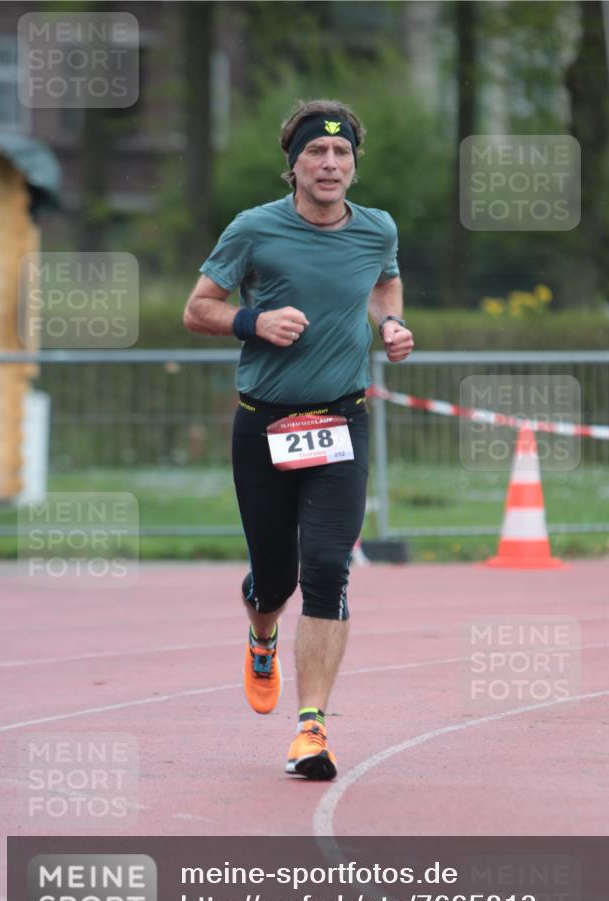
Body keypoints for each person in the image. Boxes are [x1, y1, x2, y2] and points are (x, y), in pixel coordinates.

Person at [183, 99, 414, 780]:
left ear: (354, 167)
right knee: (274, 580)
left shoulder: (376, 229)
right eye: (316, 152)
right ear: (293, 165)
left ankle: (311, 728)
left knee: (326, 567)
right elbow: (196, 308)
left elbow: (385, 281)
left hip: (340, 422)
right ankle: (260, 635)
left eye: (341, 155)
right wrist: (252, 321)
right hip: (265, 425)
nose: (329, 164)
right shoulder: (254, 229)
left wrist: (392, 325)